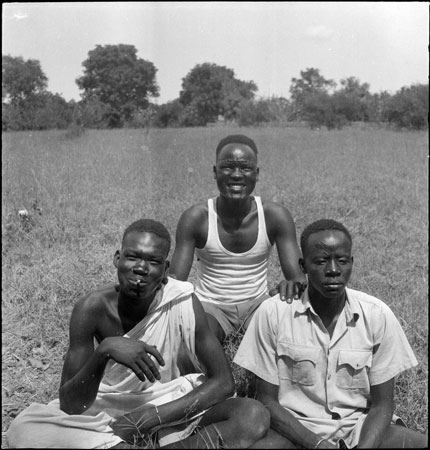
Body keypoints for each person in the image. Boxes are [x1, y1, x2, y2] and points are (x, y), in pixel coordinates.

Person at [7, 219, 270, 449]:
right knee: (24, 428)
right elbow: (72, 406)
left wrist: (146, 419)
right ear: (117, 258)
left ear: (166, 270)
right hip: (104, 412)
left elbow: (224, 383)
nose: (141, 269)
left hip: (165, 404)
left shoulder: (181, 300)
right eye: (133, 257)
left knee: (252, 415)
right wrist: (104, 351)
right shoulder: (91, 308)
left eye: (153, 261)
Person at [234, 219, 427, 449]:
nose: (333, 270)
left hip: (359, 428)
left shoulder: (377, 315)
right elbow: (266, 401)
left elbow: (382, 406)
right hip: (295, 431)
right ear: (303, 266)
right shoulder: (273, 312)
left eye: (342, 261)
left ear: (352, 263)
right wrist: (317, 444)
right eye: (321, 261)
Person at [170, 134, 306, 343]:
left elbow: (297, 278)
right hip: (210, 306)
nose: (236, 175)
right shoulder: (196, 218)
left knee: (287, 335)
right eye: (227, 167)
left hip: (258, 304)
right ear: (215, 172)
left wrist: (289, 287)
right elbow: (175, 282)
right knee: (198, 340)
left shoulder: (274, 215)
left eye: (245, 168)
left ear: (256, 174)